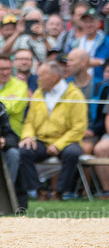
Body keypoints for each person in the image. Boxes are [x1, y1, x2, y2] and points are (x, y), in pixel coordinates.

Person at [16, 60, 87, 204]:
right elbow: (29, 121)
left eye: (41, 75)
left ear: (54, 77)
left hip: (67, 141)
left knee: (72, 153)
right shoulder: (38, 93)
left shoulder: (74, 95)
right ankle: (38, 190)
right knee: (24, 151)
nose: (38, 78)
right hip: (42, 140)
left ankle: (59, 192)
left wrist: (58, 145)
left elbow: (79, 127)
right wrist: (28, 136)